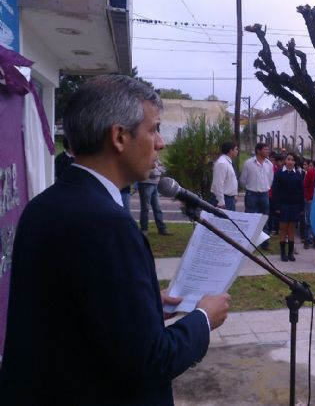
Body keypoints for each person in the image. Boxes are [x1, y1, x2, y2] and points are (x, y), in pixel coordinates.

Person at [0, 75, 230, 404]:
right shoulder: (108, 224)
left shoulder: (41, 206)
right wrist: (204, 319)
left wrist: (147, 308)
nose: (161, 143)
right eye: (153, 129)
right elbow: (149, 362)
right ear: (119, 137)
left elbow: (72, 315)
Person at [239, 142, 274, 249]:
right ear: (258, 151)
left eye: (267, 149)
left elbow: (270, 179)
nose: (267, 151)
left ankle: (264, 243)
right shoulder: (248, 163)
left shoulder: (269, 164)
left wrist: (266, 188)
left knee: (265, 219)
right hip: (251, 194)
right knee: (250, 218)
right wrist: (249, 188)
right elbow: (243, 179)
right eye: (265, 149)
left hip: (264, 194)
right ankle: (249, 242)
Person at [271, 153, 304, 262]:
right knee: (283, 230)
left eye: (292, 160)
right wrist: (276, 206)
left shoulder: (298, 174)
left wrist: (301, 208)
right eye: (288, 159)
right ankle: (283, 253)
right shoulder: (279, 174)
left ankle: (290, 253)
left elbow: (301, 192)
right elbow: (275, 191)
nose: (290, 162)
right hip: (282, 205)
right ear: (285, 161)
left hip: (294, 206)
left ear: (295, 162)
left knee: (291, 230)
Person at [138, 156, 172, 236]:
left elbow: (164, 168)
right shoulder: (143, 155)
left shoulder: (156, 157)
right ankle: (144, 229)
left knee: (157, 208)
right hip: (145, 184)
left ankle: (162, 229)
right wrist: (155, 170)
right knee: (145, 208)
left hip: (156, 184)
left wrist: (156, 169)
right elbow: (146, 170)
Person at [211, 141, 239, 211]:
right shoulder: (222, 163)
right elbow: (218, 183)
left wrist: (233, 195)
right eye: (236, 149)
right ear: (230, 151)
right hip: (224, 199)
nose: (237, 151)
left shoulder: (227, 162)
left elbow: (229, 181)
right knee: (224, 221)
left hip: (229, 198)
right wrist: (221, 201)